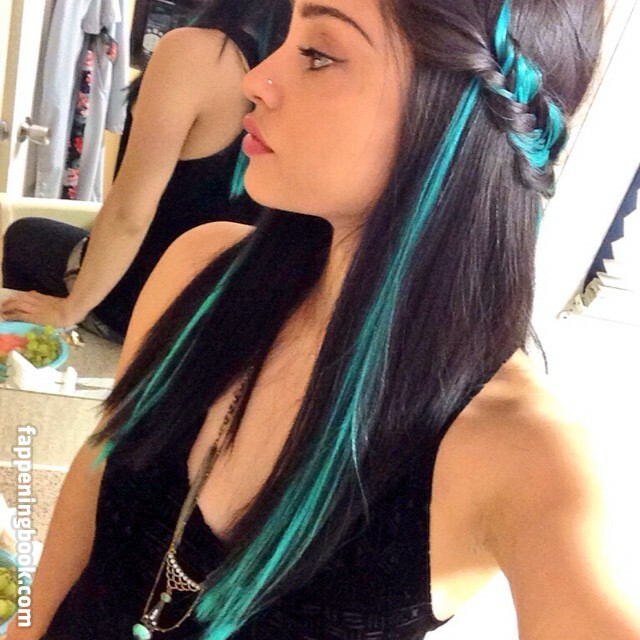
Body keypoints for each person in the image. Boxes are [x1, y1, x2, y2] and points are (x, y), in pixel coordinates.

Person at [7, 0, 640, 638]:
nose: (259, 79)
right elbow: (94, 476)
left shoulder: (517, 450)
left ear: (459, 115)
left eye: (318, 53)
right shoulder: (198, 272)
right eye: (287, 36)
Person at [0, 0, 291, 342]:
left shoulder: (196, 51)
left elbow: (130, 214)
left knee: (24, 236)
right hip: (230, 319)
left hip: (149, 307)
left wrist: (69, 310)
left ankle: (33, 358)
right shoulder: (303, 71)